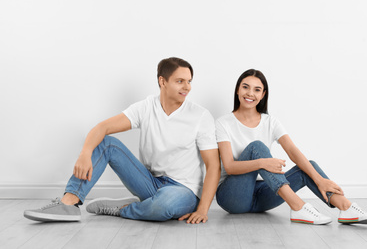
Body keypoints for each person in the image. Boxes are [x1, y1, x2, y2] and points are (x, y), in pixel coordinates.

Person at [24, 57, 221, 224]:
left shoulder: (200, 116)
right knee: (106, 142)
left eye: (189, 81)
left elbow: (213, 166)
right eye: (180, 81)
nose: (187, 87)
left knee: (164, 206)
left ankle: (125, 208)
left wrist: (203, 209)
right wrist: (85, 154)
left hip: (183, 189)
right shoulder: (145, 107)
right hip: (149, 182)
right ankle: (68, 204)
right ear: (162, 81)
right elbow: (102, 128)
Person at [215, 69, 367, 225]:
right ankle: (298, 207)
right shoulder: (224, 123)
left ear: (263, 95)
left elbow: (292, 151)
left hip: (262, 196)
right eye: (245, 87)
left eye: (257, 90)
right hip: (233, 197)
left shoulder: (270, 122)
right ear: (237, 90)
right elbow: (229, 167)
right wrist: (262, 163)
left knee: (308, 167)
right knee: (256, 147)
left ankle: (346, 208)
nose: (250, 93)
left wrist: (319, 180)